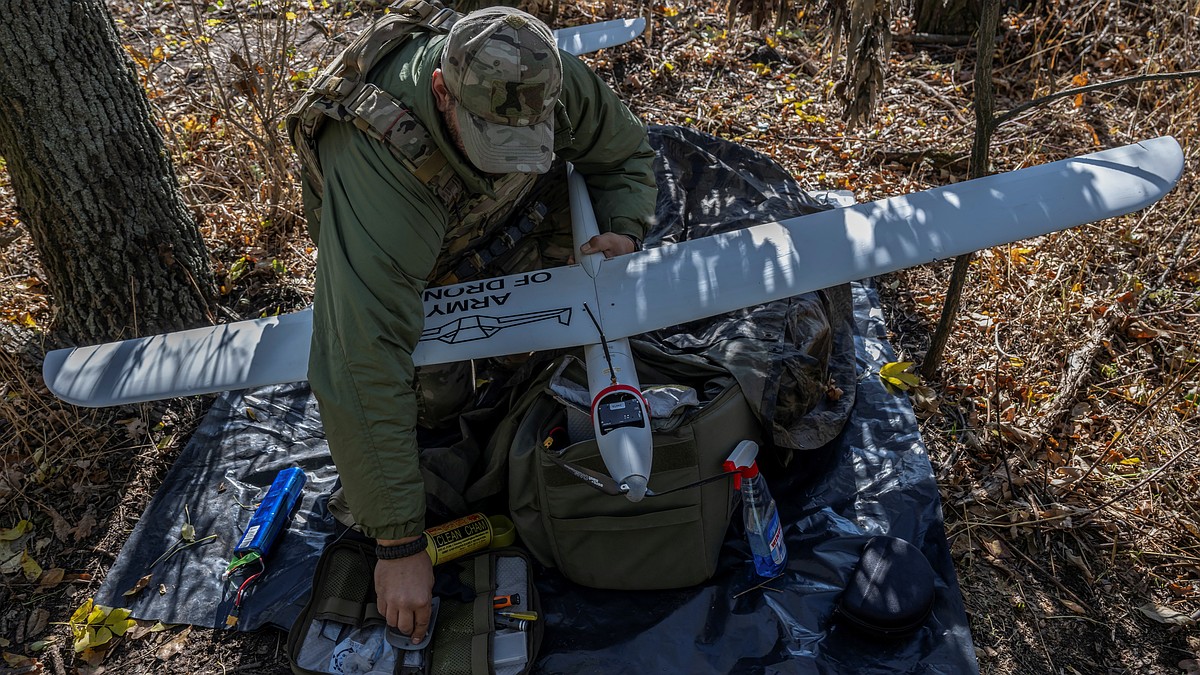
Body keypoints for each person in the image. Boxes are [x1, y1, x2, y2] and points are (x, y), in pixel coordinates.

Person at [294, 2, 658, 645]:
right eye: (496, 138)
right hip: (419, 242)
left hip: (504, 212)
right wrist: (399, 541)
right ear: (442, 90)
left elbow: (622, 153)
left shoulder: (546, 75)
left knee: (549, 349)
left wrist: (623, 228)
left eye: (530, 135)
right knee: (433, 403)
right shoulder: (380, 170)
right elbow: (359, 358)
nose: (514, 152)